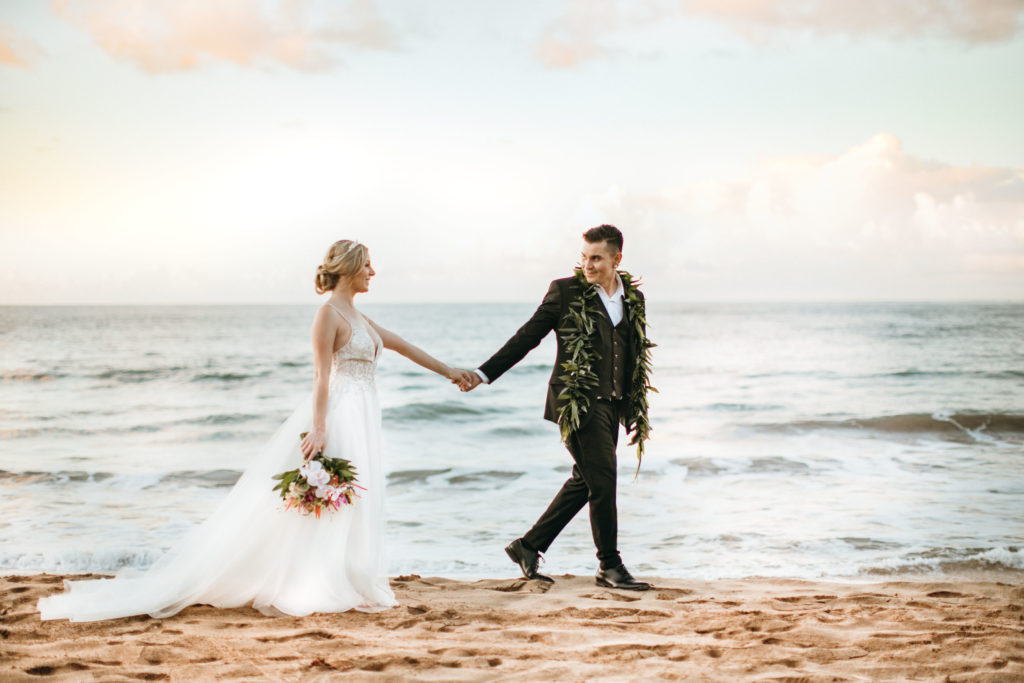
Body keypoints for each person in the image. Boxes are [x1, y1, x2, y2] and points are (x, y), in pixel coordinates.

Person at [38, 239, 473, 621]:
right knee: (332, 499)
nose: (373, 272)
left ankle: (348, 576)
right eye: (367, 265)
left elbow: (403, 346)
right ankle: (314, 579)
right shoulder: (328, 316)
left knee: (355, 499)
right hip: (340, 414)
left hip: (363, 414)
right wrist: (319, 428)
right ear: (349, 268)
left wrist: (450, 371)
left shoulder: (359, 317)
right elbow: (322, 377)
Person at [460, 224, 652, 590]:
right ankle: (609, 566)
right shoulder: (565, 292)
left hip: (612, 404)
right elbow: (527, 336)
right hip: (576, 404)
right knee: (604, 478)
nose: (588, 265)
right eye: (584, 257)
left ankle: (528, 546)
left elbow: (630, 354)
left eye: (596, 258)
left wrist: (631, 404)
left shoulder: (634, 299)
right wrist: (483, 374)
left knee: (588, 479)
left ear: (617, 259)